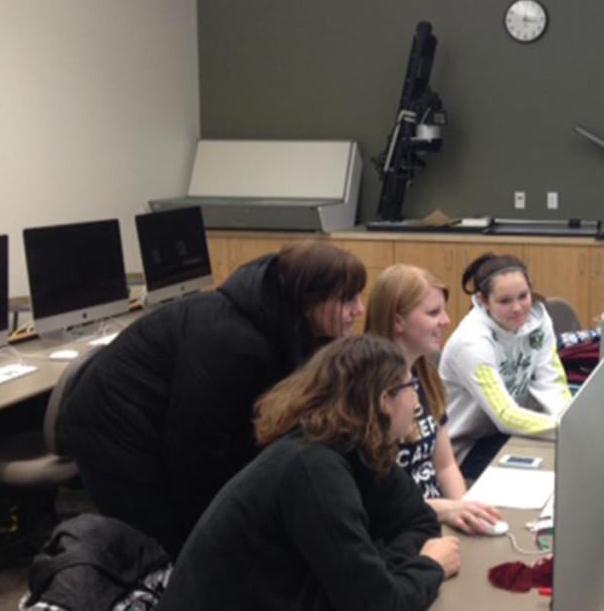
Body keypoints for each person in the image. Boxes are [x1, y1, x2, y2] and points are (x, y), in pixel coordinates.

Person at [57, 241, 366, 556]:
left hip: (156, 430)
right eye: (347, 299)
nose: (359, 310)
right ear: (309, 302)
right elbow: (192, 454)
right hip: (115, 440)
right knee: (171, 553)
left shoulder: (285, 326)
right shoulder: (234, 342)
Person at [156, 335, 460, 611]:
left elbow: (417, 520)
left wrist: (383, 573)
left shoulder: (359, 447)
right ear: (384, 401)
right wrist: (427, 566)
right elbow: (377, 604)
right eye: (412, 388)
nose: (417, 400)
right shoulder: (312, 468)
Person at [365, 264, 504, 535]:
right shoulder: (368, 392)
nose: (446, 321)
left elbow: (445, 465)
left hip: (438, 518)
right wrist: (448, 510)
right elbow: (376, 501)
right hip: (402, 529)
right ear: (398, 322)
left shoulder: (425, 376)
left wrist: (465, 510)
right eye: (433, 313)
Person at [439, 253, 572, 479]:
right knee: (554, 469)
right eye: (505, 301)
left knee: (569, 456)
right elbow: (505, 415)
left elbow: (551, 382)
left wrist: (572, 419)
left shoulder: (537, 320)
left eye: (523, 296)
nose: (518, 308)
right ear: (482, 301)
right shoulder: (471, 343)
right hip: (466, 449)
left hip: (509, 432)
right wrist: (572, 430)